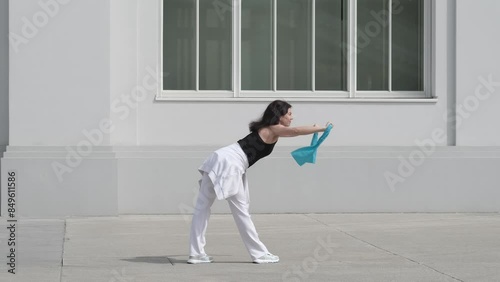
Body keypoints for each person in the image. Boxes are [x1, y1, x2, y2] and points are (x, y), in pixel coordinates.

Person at [187, 100, 332, 264]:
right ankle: (259, 253)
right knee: (241, 210)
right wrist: (321, 128)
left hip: (220, 158)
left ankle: (196, 253)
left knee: (202, 207)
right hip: (231, 164)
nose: (292, 117)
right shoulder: (274, 129)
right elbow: (295, 131)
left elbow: (293, 130)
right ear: (279, 115)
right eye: (289, 114)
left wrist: (315, 128)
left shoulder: (268, 128)